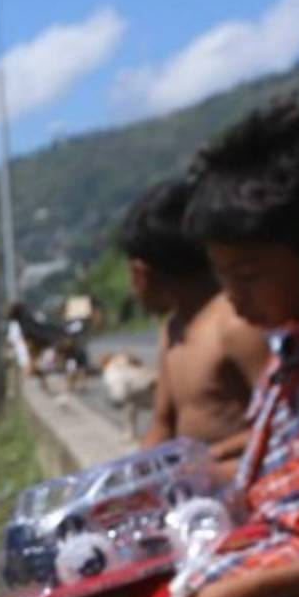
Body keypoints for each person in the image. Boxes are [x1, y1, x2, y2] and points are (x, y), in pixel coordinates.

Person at [42, 98, 299, 597]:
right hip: (270, 547)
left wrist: (248, 591)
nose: (233, 301)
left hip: (295, 580)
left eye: (248, 274)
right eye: (222, 276)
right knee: (71, 574)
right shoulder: (295, 339)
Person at [119, 177, 270, 477]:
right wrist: (135, 476)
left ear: (140, 274)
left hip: (242, 485)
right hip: (195, 491)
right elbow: (162, 423)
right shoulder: (172, 329)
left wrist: (206, 469)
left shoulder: (236, 326)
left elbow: (282, 427)